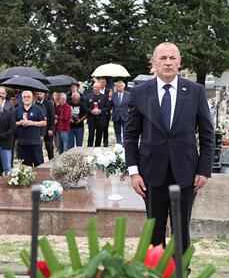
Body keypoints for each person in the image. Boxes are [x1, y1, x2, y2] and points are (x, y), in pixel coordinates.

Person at [125, 42, 214, 254]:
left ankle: (180, 277)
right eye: (162, 58)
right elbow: (130, 135)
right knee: (154, 231)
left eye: (172, 58)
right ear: (154, 63)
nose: (167, 62)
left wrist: (204, 170)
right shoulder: (139, 93)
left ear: (179, 63)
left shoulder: (196, 92)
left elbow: (207, 134)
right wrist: (133, 172)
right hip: (150, 175)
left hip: (186, 174)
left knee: (181, 230)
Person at [15, 90, 47, 167]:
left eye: (28, 97)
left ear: (32, 98)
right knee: (25, 166)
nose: (26, 98)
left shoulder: (38, 108)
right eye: (24, 97)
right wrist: (20, 123)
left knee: (39, 165)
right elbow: (12, 123)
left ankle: (40, 179)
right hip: (22, 143)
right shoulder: (17, 110)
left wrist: (32, 123)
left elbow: (44, 123)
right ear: (22, 98)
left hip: (35, 142)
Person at [86, 82, 111, 147]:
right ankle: (89, 149)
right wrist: (91, 111)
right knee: (90, 135)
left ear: (100, 88)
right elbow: (85, 107)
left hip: (101, 119)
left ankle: (97, 149)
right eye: (94, 87)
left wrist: (100, 111)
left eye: (96, 87)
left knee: (99, 136)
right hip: (91, 119)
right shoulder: (88, 96)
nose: (95, 88)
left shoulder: (104, 97)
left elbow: (108, 107)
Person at [36, 91, 56, 160]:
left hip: (48, 129)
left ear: (44, 94)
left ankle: (52, 160)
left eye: (40, 94)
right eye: (38, 94)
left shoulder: (49, 103)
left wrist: (51, 128)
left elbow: (52, 117)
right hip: (38, 129)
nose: (39, 95)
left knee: (49, 146)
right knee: (38, 147)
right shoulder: (35, 104)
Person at [111, 80, 131, 144]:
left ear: (124, 87)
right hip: (116, 116)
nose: (119, 87)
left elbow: (131, 105)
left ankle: (125, 145)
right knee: (117, 131)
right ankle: (119, 144)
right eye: (118, 86)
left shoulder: (128, 94)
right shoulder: (113, 95)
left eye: (121, 86)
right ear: (116, 87)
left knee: (125, 131)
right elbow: (110, 105)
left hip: (125, 116)